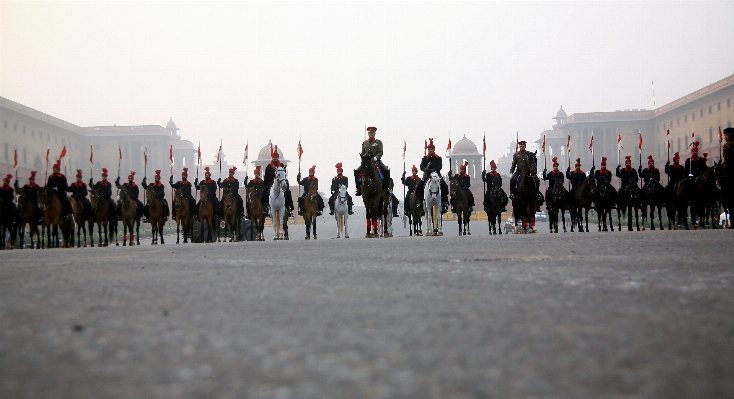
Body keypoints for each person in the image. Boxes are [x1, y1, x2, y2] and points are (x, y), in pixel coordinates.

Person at [355, 126, 390, 197]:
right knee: (357, 171)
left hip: (376, 161)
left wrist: (376, 157)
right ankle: (358, 188)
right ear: (368, 134)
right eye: (370, 133)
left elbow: (380, 152)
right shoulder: (365, 143)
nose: (371, 134)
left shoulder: (378, 142)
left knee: (385, 170)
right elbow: (362, 153)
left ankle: (386, 188)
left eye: (372, 133)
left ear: (374, 134)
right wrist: (364, 158)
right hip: (367, 162)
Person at [417, 138, 449, 214]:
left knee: (445, 186)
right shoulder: (425, 158)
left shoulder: (438, 158)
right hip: (427, 176)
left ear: (434, 150)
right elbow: (421, 166)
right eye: (429, 149)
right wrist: (425, 169)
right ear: (428, 150)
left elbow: (440, 166)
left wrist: (434, 170)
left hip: (436, 176)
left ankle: (444, 202)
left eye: (432, 149)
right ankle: (420, 203)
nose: (430, 150)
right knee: (419, 187)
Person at [261, 149, 294, 215]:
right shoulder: (268, 167)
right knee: (264, 192)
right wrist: (266, 185)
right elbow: (266, 177)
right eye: (274, 157)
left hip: (281, 182)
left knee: (288, 191)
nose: (275, 158)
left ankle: (288, 206)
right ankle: (264, 206)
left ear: (278, 157)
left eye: (276, 157)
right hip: (270, 183)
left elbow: (284, 175)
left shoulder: (281, 165)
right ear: (272, 157)